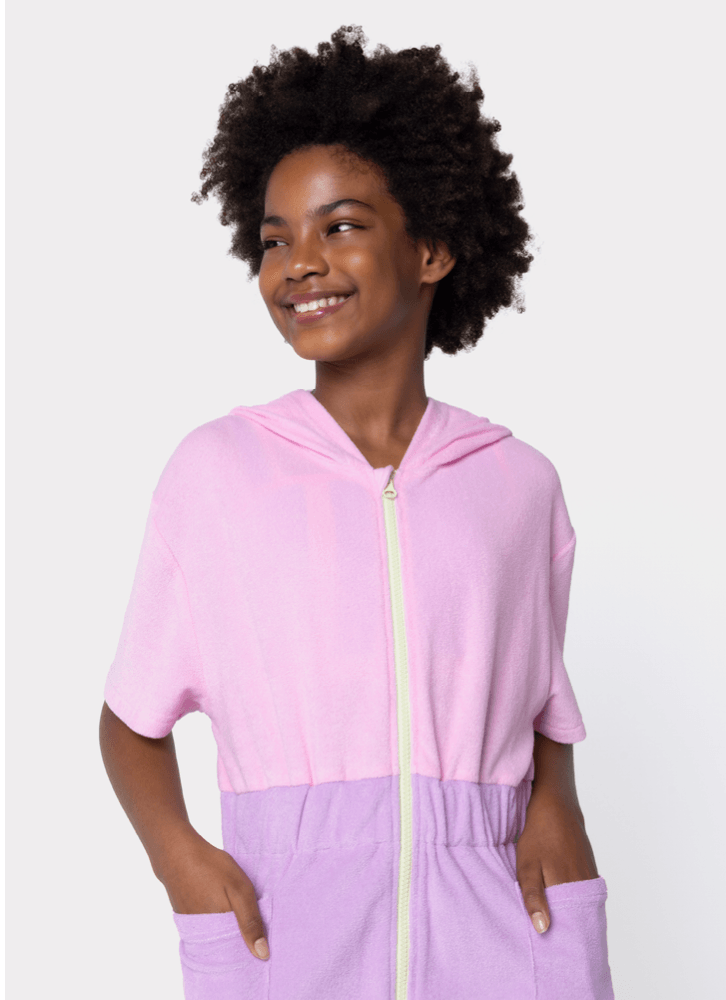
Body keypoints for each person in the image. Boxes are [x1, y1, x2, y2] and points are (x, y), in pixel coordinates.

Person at [99, 25, 615, 1000]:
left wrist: (559, 804)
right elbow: (129, 720)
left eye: (338, 227)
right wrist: (179, 858)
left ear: (431, 248)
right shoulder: (215, 475)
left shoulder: (520, 486)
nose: (299, 263)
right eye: (274, 240)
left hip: (506, 920)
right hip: (288, 932)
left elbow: (542, 696)